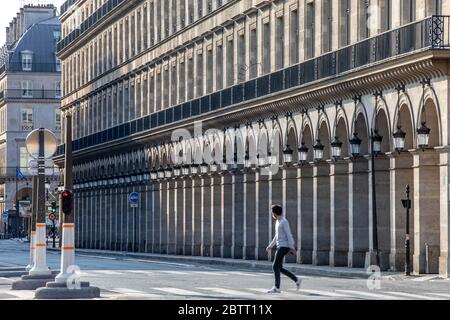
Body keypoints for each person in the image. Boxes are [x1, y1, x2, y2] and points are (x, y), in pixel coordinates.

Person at [266, 205, 301, 293]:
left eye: (272, 212)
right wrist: (271, 245)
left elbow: (289, 235)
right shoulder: (278, 222)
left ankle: (277, 287)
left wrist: (292, 248)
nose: (271, 214)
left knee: (274, 266)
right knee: (279, 267)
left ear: (274, 213)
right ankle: (296, 280)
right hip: (280, 246)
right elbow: (277, 236)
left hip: (284, 246)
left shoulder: (284, 222)